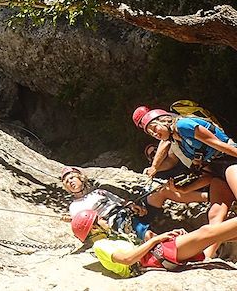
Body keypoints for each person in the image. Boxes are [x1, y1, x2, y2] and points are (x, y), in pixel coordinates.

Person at [134, 106, 237, 258]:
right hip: (217, 171)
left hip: (229, 160)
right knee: (215, 216)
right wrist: (183, 190)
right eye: (151, 133)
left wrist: (154, 167)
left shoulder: (184, 125)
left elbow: (219, 145)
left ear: (164, 120)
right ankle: (206, 258)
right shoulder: (180, 144)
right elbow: (207, 175)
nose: (155, 133)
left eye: (154, 128)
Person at [71, 209, 237, 277]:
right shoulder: (100, 246)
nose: (104, 219)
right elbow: (127, 259)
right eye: (99, 220)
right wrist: (157, 239)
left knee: (213, 236)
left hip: (154, 256)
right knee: (206, 233)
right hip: (152, 258)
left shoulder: (110, 240)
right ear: (93, 229)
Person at [61, 166, 151, 240]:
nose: (70, 182)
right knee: (148, 234)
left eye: (72, 178)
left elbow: (121, 202)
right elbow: (81, 225)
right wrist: (71, 220)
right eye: (67, 182)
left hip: (124, 212)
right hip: (113, 222)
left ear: (80, 178)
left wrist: (132, 206)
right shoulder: (74, 207)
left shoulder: (99, 191)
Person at [142, 143, 209, 207]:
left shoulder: (174, 151)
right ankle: (207, 196)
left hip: (204, 177)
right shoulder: (155, 175)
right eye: (153, 154)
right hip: (189, 191)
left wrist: (155, 167)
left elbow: (171, 161)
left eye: (156, 149)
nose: (156, 153)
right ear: (151, 160)